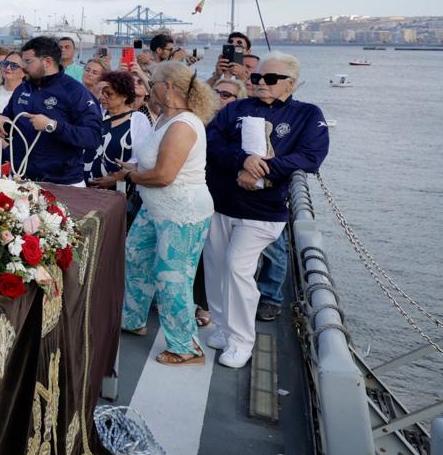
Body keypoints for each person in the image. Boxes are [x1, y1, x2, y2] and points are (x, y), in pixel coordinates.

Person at [202, 53, 330, 369]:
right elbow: (212, 142)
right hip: (220, 203)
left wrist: (263, 169)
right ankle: (222, 325)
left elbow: (311, 156)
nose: (261, 83)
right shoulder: (235, 109)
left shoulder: (307, 114)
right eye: (257, 77)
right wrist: (242, 161)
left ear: (291, 83)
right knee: (216, 267)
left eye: (270, 79)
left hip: (263, 210)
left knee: (237, 267)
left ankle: (241, 341)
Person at [110, 63, 219, 365]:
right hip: (156, 207)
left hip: (182, 212)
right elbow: (154, 164)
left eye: (152, 82)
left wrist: (128, 176)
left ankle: (186, 347)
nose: (148, 88)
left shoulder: (183, 125)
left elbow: (164, 175)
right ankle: (132, 319)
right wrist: (134, 168)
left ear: (168, 86)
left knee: (173, 278)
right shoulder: (163, 118)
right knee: (135, 256)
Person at [0, 36, 104, 186]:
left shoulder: (75, 92)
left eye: (28, 61)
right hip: (21, 178)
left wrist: (52, 126)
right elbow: (8, 117)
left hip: (63, 183)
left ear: (47, 62)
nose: (23, 66)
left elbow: (93, 137)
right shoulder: (23, 88)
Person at [85, 70, 152, 192]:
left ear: (124, 96)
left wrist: (117, 178)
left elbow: (140, 157)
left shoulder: (138, 119)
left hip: (118, 188)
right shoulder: (96, 113)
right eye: (102, 93)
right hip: (84, 185)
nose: (103, 97)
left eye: (109, 94)